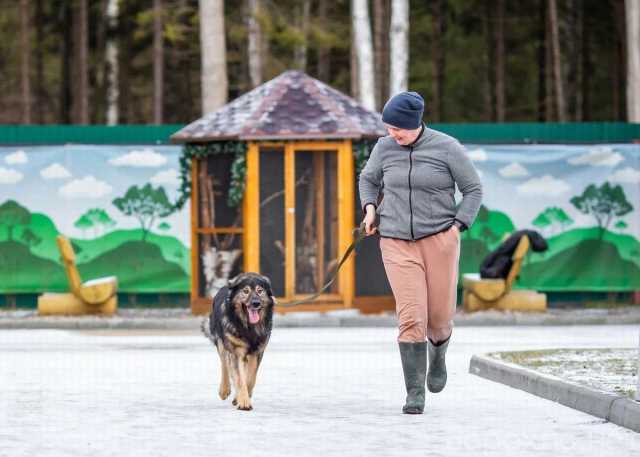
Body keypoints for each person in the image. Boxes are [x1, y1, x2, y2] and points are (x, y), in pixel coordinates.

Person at [359, 91, 482, 414]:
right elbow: (368, 179)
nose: (392, 134)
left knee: (439, 319)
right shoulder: (384, 148)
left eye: (398, 128)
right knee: (411, 316)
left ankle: (438, 353)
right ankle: (415, 393)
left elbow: (473, 189)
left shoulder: (447, 147)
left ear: (415, 124)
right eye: (388, 127)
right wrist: (370, 208)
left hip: (440, 239)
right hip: (395, 240)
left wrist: (458, 226)